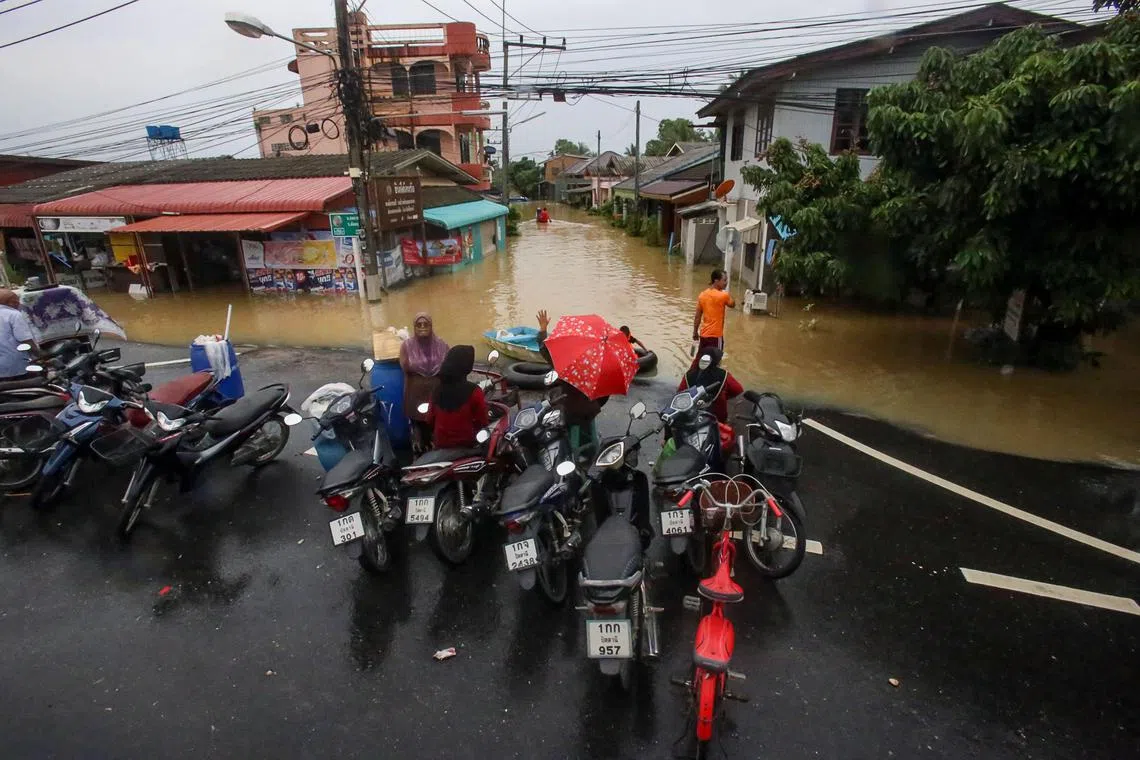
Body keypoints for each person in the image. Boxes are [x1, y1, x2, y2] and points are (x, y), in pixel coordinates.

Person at [536, 309, 607, 457]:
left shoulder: (569, 365)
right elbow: (604, 397)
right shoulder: (602, 366)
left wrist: (543, 330)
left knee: (552, 406)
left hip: (571, 413)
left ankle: (565, 447)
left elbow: (546, 351)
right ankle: (589, 443)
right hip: (592, 409)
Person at [399, 312, 449, 453]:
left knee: (437, 425)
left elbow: (448, 367)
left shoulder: (442, 345)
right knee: (418, 427)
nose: (422, 327)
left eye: (425, 324)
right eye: (418, 325)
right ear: (414, 327)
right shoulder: (407, 346)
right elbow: (404, 366)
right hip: (415, 395)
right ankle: (419, 451)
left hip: (436, 393)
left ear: (431, 326)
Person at [425, 345, 489, 450]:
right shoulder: (474, 391)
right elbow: (482, 422)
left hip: (440, 444)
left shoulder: (437, 389)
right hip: (467, 444)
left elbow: (430, 419)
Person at [677, 347, 743, 425]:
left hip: (692, 417)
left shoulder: (689, 374)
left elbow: (680, 393)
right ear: (716, 362)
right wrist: (723, 395)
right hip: (717, 418)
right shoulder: (723, 375)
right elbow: (738, 389)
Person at [692, 269, 735, 353]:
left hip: (703, 335)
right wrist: (726, 293)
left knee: (701, 360)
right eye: (724, 280)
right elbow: (732, 304)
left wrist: (695, 332)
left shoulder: (702, 295)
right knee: (716, 361)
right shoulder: (723, 295)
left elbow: (697, 317)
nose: (726, 283)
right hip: (716, 336)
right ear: (716, 280)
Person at [0, 289, 36, 380]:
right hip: (15, 367)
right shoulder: (13, 314)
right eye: (16, 301)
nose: (18, 304)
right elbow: (25, 340)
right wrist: (41, 355)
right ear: (12, 302)